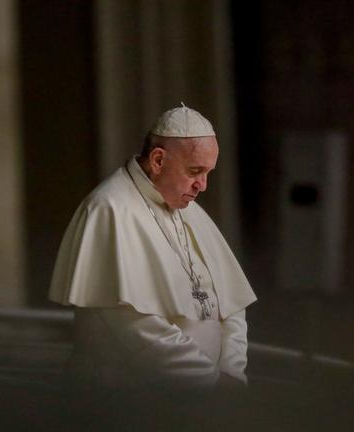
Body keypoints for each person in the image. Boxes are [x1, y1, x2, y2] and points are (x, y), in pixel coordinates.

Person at [49, 104, 256, 388]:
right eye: (195, 171)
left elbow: (231, 306)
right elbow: (133, 325)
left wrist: (232, 371)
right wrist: (209, 381)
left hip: (203, 402)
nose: (203, 185)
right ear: (158, 160)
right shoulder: (110, 209)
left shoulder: (188, 209)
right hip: (127, 402)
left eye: (208, 173)